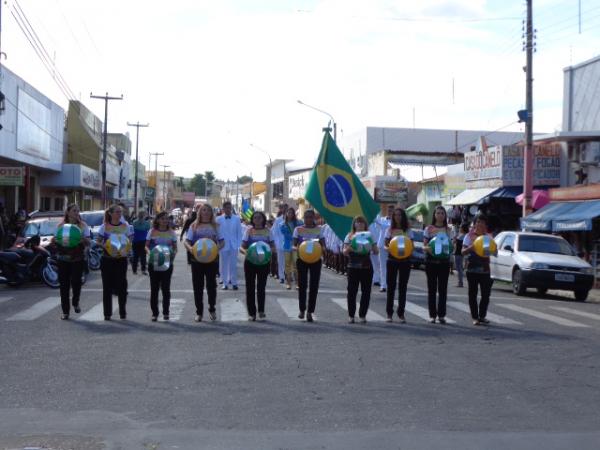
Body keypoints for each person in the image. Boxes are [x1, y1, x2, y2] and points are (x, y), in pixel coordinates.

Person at [184, 204, 224, 322]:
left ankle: (212, 308)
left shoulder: (216, 226)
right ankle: (199, 312)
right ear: (199, 212)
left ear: (212, 213)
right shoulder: (194, 226)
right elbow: (187, 241)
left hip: (212, 260)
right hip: (197, 260)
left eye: (208, 210)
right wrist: (190, 249)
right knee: (198, 286)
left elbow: (222, 242)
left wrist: (217, 247)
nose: (206, 212)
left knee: (211, 286)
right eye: (203, 210)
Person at [53, 203, 91, 320]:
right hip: (63, 259)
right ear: (68, 212)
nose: (76, 213)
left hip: (77, 259)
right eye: (74, 211)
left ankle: (75, 302)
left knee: (76, 282)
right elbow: (55, 240)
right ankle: (65, 312)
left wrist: (81, 239)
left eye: (78, 211)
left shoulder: (82, 225)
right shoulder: (61, 226)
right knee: (64, 286)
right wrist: (56, 240)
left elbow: (88, 242)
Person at [97, 204, 133, 320]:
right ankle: (107, 313)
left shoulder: (125, 226)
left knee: (122, 286)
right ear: (111, 213)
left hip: (121, 260)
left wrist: (127, 248)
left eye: (120, 212)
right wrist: (107, 246)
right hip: (107, 259)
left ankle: (123, 311)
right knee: (107, 287)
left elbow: (130, 240)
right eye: (117, 212)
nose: (119, 214)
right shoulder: (104, 226)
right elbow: (98, 241)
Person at [343, 216, 379, 323]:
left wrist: (371, 247)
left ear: (365, 225)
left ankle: (363, 315)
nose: (359, 224)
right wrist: (350, 247)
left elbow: (376, 251)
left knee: (366, 291)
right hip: (353, 267)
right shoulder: (349, 236)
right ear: (354, 224)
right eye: (357, 222)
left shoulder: (370, 235)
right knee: (351, 291)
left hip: (366, 266)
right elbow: (344, 252)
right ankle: (351, 315)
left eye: (362, 222)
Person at [461, 215, 495, 326]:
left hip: (485, 269)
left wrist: (494, 250)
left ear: (485, 225)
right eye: (478, 222)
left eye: (482, 222)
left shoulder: (488, 237)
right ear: (475, 223)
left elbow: (491, 252)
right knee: (473, 294)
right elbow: (462, 251)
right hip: (472, 269)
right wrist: (471, 248)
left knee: (486, 294)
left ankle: (482, 316)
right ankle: (475, 317)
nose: (480, 224)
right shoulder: (469, 236)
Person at [240, 211, 274, 321]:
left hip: (264, 263)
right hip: (250, 262)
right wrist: (247, 253)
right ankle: (252, 313)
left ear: (263, 219)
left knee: (261, 287)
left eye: (259, 217)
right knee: (250, 287)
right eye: (255, 218)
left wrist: (269, 253)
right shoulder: (249, 231)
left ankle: (261, 310)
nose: (257, 219)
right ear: (252, 220)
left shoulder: (268, 231)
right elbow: (242, 247)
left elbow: (273, 247)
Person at [293, 209, 325, 322]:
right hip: (302, 259)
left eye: (311, 217)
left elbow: (323, 245)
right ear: (303, 218)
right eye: (306, 217)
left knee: (314, 286)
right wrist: (298, 249)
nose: (308, 219)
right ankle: (302, 309)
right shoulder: (298, 229)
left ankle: (310, 312)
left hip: (316, 260)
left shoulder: (319, 229)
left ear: (314, 218)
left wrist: (322, 251)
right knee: (302, 285)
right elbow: (293, 245)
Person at [146, 211, 177, 321]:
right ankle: (154, 313)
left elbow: (175, 247)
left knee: (165, 288)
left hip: (167, 263)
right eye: (163, 218)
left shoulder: (172, 232)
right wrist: (150, 253)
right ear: (158, 220)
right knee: (154, 289)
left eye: (166, 219)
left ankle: (166, 313)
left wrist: (172, 255)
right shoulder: (152, 231)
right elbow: (146, 246)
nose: (165, 220)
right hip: (153, 262)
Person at [423, 205, 452, 324]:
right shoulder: (428, 229)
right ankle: (432, 315)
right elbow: (424, 245)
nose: (440, 215)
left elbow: (452, 245)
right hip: (431, 262)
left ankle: (441, 315)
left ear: (445, 215)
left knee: (443, 289)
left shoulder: (449, 229)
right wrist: (429, 249)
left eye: (442, 213)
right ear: (434, 215)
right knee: (432, 289)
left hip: (444, 263)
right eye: (438, 213)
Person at [384, 207, 413, 323]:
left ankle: (401, 313)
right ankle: (389, 314)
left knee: (403, 287)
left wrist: (409, 250)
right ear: (393, 217)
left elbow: (412, 245)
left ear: (403, 216)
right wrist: (389, 249)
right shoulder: (389, 230)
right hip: (392, 260)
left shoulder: (408, 230)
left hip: (405, 261)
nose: (397, 217)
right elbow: (385, 245)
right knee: (390, 287)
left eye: (400, 215)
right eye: (395, 215)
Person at [216, 201, 242, 290]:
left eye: (229, 207)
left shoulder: (237, 219)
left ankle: (234, 282)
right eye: (226, 207)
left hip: (234, 245)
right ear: (223, 209)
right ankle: (225, 283)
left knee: (233, 264)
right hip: (223, 244)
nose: (228, 209)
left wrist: (238, 244)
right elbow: (217, 232)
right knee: (224, 264)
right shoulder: (218, 219)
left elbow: (239, 232)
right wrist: (218, 243)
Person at [281, 207, 302, 290]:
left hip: (296, 247)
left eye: (291, 213)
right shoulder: (282, 225)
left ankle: (297, 283)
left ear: (294, 214)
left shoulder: (298, 223)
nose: (290, 214)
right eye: (288, 213)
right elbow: (286, 235)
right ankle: (288, 283)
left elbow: (300, 233)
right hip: (287, 246)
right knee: (287, 265)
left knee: (296, 265)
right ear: (286, 214)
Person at [271, 203, 288, 285]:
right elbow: (274, 232)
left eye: (286, 209)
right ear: (282, 210)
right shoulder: (278, 220)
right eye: (284, 208)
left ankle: (288, 275)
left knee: (289, 261)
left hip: (289, 244)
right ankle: (281, 277)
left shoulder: (293, 220)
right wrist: (276, 243)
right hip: (280, 244)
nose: (285, 210)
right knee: (280, 261)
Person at [132, 210, 151, 275]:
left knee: (135, 256)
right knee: (143, 256)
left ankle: (134, 270)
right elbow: (148, 230)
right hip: (143, 241)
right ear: (144, 215)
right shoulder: (147, 223)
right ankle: (143, 270)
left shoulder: (134, 222)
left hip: (135, 241)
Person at [453, 222, 469, 288]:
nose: (459, 228)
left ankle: (460, 282)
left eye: (460, 227)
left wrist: (455, 239)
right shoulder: (462, 235)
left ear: (463, 228)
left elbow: (455, 242)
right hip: (458, 253)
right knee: (459, 268)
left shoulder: (463, 236)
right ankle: (460, 281)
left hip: (459, 253)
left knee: (458, 268)